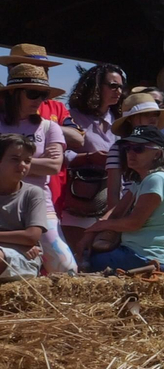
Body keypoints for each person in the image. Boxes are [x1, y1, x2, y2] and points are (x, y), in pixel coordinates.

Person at [81, 126, 164, 272]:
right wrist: (91, 232)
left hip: (146, 258)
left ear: (157, 154)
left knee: (93, 262)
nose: (130, 153)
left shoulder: (156, 180)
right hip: (141, 255)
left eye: (139, 149)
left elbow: (134, 223)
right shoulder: (142, 180)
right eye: (127, 148)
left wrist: (101, 226)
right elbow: (117, 211)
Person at [56, 63, 127, 255]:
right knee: (79, 259)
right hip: (83, 201)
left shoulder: (120, 120)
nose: (118, 91)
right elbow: (59, 154)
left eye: (121, 86)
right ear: (95, 86)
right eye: (113, 85)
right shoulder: (73, 118)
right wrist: (88, 158)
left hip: (114, 202)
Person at [0, 134, 57, 279]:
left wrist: (22, 243)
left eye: (27, 161)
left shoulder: (32, 193)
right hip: (20, 248)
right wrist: (19, 241)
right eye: (14, 159)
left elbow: (32, 236)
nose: (22, 165)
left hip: (25, 256)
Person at [0, 61, 65, 188]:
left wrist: (8, 161)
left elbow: (54, 167)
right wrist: (39, 163)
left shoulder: (49, 127)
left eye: (44, 95)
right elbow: (47, 166)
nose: (39, 100)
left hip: (40, 202)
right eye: (33, 93)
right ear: (13, 92)